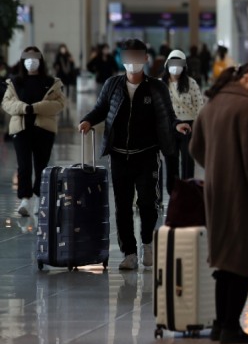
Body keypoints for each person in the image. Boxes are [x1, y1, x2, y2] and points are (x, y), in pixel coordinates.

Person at [79, 38, 190, 271]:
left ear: (146, 59)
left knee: (148, 203)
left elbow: (168, 115)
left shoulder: (156, 87)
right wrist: (88, 120)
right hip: (119, 156)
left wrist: (177, 125)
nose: (133, 63)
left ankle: (147, 243)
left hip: (147, 154)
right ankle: (129, 252)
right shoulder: (112, 85)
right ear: (122, 59)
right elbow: (100, 109)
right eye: (129, 58)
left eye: (138, 57)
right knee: (122, 205)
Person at [190, 60, 248, 344]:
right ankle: (230, 328)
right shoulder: (247, 108)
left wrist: (215, 167)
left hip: (216, 190)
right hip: (243, 195)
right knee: (242, 259)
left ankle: (219, 324)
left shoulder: (212, 104)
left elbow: (195, 147)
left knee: (224, 259)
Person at [2, 47, 66, 217]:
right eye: (28, 57)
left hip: (44, 129)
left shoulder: (51, 82)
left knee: (41, 165)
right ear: (23, 60)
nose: (31, 61)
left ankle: (39, 197)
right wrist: (24, 108)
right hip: (21, 129)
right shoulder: (15, 82)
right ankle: (25, 199)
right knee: (23, 166)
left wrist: (36, 108)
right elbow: (7, 103)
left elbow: (59, 103)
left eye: (35, 57)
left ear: (41, 59)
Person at [161, 49, 204, 196]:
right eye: (173, 62)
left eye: (179, 63)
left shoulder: (191, 83)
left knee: (187, 161)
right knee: (170, 161)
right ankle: (173, 193)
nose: (176, 66)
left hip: (188, 127)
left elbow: (199, 105)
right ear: (167, 64)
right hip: (169, 127)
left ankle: (187, 192)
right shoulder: (161, 84)